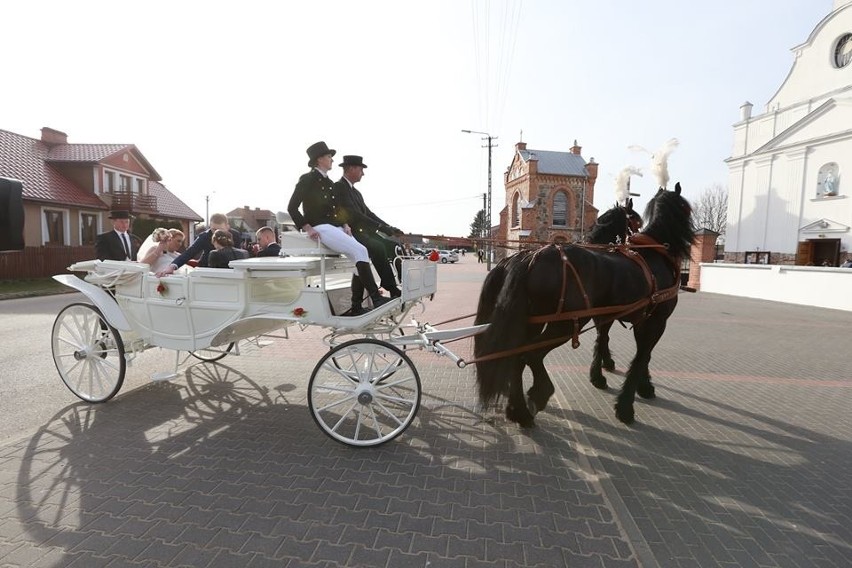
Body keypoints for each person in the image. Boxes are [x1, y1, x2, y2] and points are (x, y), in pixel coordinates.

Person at [287, 141, 391, 315]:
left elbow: (336, 209)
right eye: (329, 157)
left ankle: (356, 306)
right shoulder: (308, 179)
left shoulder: (328, 182)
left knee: (360, 257)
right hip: (321, 227)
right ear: (319, 159)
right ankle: (375, 298)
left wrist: (345, 224)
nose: (332, 160)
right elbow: (292, 207)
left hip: (334, 227)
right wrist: (307, 227)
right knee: (361, 250)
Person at [333, 155, 404, 312]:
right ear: (351, 169)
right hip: (350, 232)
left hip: (363, 232)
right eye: (360, 169)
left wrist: (389, 227)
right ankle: (390, 287)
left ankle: (358, 304)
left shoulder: (356, 192)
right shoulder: (339, 188)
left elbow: (368, 213)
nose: (363, 174)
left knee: (391, 245)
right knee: (378, 247)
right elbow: (353, 215)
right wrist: (380, 227)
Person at [155, 213, 241, 276]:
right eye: (213, 229)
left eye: (220, 230)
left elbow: (237, 255)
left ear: (227, 227)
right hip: (207, 270)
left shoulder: (235, 235)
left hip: (231, 272)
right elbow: (189, 252)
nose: (216, 233)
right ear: (210, 226)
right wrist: (172, 267)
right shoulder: (204, 236)